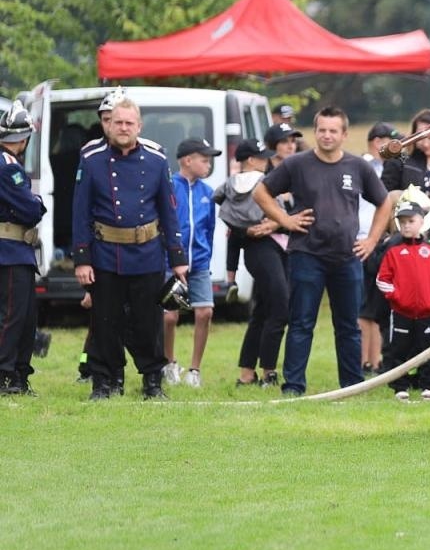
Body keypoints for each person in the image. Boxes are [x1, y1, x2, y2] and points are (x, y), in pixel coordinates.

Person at [255, 107, 395, 396]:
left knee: (348, 327)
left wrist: (371, 240)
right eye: (322, 130)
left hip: (347, 256)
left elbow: (385, 203)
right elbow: (261, 193)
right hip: (307, 254)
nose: (327, 135)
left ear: (344, 134)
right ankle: (293, 387)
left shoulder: (359, 167)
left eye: (333, 130)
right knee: (301, 322)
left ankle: (352, 385)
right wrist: (285, 220)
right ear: (315, 131)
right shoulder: (297, 164)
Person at [73, 96, 187, 401]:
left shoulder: (156, 159)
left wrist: (177, 257)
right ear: (108, 124)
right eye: (118, 122)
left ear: (139, 125)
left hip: (147, 252)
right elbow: (80, 213)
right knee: (105, 321)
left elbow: (169, 210)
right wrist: (82, 260)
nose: (123, 128)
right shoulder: (92, 158)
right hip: (105, 253)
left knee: (148, 323)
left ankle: (152, 381)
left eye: (129, 123)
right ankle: (104, 381)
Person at [216, 139, 287, 388]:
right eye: (262, 157)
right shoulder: (258, 183)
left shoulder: (230, 190)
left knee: (262, 311)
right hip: (264, 250)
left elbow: (234, 232)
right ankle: (269, 371)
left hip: (265, 250)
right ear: (250, 160)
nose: (266, 161)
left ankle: (247, 373)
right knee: (280, 307)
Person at [162, 138, 222, 388]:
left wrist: (204, 257)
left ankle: (195, 369)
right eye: (204, 159)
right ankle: (169, 363)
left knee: (205, 311)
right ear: (187, 160)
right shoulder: (168, 187)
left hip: (198, 263)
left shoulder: (207, 192)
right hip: (168, 263)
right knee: (168, 317)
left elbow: (209, 229)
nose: (208, 164)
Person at [375, 199, 430, 401]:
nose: (406, 225)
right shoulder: (393, 252)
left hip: (427, 312)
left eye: (411, 221)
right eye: (402, 222)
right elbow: (382, 280)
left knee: (428, 349)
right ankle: (400, 386)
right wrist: (398, 299)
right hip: (400, 313)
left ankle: (428, 385)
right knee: (398, 350)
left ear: (421, 222)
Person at [0, 101, 44, 396]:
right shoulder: (9, 167)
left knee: (23, 317)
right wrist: (39, 203)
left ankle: (16, 373)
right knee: (13, 316)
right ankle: (6, 373)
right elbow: (30, 209)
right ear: (24, 139)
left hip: (15, 250)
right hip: (11, 250)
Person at [358, 122, 397, 376]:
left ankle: (378, 359)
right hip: (361, 239)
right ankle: (364, 360)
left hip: (386, 241)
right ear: (375, 142)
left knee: (380, 305)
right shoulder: (362, 166)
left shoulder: (395, 168)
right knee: (362, 308)